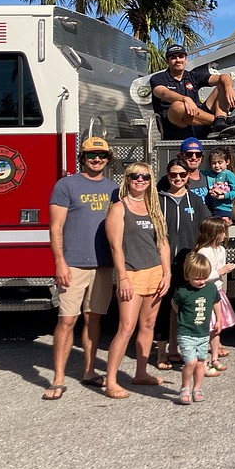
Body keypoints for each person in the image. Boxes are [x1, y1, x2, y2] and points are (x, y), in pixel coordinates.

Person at [42, 136, 119, 400]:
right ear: (82, 158)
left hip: (104, 266)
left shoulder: (115, 188)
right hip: (73, 264)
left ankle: (88, 371)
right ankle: (58, 378)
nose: (96, 160)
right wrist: (59, 262)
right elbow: (55, 227)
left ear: (108, 159)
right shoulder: (66, 185)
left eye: (101, 156)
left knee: (94, 318)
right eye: (90, 156)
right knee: (66, 320)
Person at [102, 163, 172, 398]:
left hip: (155, 273)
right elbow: (115, 247)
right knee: (126, 327)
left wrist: (167, 272)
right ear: (127, 179)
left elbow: (162, 242)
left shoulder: (153, 207)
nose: (140, 180)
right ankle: (111, 380)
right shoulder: (118, 208)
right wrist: (121, 277)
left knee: (148, 325)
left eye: (145, 177)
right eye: (135, 176)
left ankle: (141, 373)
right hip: (131, 274)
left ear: (150, 181)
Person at [155, 157, 211, 370]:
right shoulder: (159, 201)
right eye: (173, 174)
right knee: (162, 308)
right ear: (167, 176)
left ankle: (180, 350)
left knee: (186, 308)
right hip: (164, 264)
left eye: (182, 174)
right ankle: (161, 353)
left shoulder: (195, 201)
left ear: (188, 177)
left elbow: (206, 228)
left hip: (188, 266)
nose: (178, 178)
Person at [149, 44, 235, 140]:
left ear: (186, 59)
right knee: (179, 106)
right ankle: (222, 122)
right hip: (175, 127)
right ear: (167, 61)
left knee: (222, 84)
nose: (178, 60)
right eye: (173, 57)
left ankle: (220, 121)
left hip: (198, 121)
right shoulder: (158, 78)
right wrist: (185, 99)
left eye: (181, 56)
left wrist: (229, 88)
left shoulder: (193, 76)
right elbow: (162, 92)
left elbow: (224, 77)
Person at [172, 252, 222, 405]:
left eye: (204, 277)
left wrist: (218, 319)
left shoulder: (211, 289)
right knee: (191, 362)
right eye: (197, 278)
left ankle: (197, 388)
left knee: (201, 362)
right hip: (186, 333)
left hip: (203, 333)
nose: (201, 282)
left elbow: (216, 302)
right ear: (188, 275)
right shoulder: (183, 291)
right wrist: (182, 317)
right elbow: (175, 304)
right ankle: (185, 387)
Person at [194, 217, 235, 372]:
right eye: (221, 232)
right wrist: (221, 271)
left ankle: (214, 358)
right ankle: (203, 360)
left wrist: (223, 274)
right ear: (212, 233)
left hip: (217, 292)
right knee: (205, 328)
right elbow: (202, 275)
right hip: (204, 293)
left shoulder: (221, 249)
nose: (224, 235)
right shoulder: (203, 251)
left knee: (216, 327)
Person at [205, 146, 235, 223]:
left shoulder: (229, 174)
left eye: (220, 162)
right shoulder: (209, 174)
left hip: (223, 209)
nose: (217, 166)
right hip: (210, 208)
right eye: (213, 163)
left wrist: (223, 196)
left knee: (220, 232)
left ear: (227, 162)